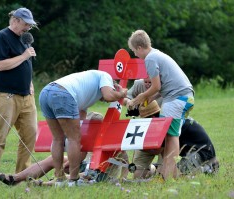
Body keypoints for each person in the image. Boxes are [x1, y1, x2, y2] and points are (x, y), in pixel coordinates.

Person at [38, 70, 128, 186]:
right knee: (74, 138)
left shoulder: (85, 94)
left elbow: (81, 123)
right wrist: (122, 94)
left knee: (57, 138)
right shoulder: (106, 76)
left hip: (45, 92)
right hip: (64, 94)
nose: (105, 101)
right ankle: (74, 180)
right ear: (112, 86)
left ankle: (60, 179)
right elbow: (109, 95)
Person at [127, 29, 195, 179]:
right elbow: (163, 86)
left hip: (177, 98)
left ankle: (168, 173)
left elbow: (156, 85)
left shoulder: (150, 59)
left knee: (171, 136)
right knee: (172, 134)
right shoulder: (157, 54)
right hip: (184, 96)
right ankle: (173, 173)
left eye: (134, 51)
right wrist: (152, 98)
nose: (134, 55)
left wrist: (140, 98)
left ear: (139, 47)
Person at [0, 8, 39, 185]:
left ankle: (21, 175)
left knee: (30, 134)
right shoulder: (2, 36)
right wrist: (24, 56)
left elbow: (26, 66)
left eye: (30, 25)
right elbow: (1, 65)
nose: (28, 28)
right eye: (25, 24)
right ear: (15, 20)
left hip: (26, 97)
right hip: (6, 97)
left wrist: (30, 84)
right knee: (0, 137)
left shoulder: (24, 40)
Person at [0, 112, 125, 186]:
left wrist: (122, 178)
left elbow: (122, 160)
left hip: (99, 175)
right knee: (53, 159)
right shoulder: (89, 138)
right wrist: (66, 166)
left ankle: (44, 184)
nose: (89, 130)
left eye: (93, 127)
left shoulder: (109, 141)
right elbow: (79, 160)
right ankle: (15, 178)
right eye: (89, 127)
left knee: (81, 175)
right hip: (87, 168)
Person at [131, 101, 219, 179]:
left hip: (201, 152)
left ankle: (206, 167)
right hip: (202, 150)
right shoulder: (168, 117)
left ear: (153, 116)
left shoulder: (165, 124)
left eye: (147, 119)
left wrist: (139, 146)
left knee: (175, 175)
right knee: (169, 172)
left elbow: (158, 150)